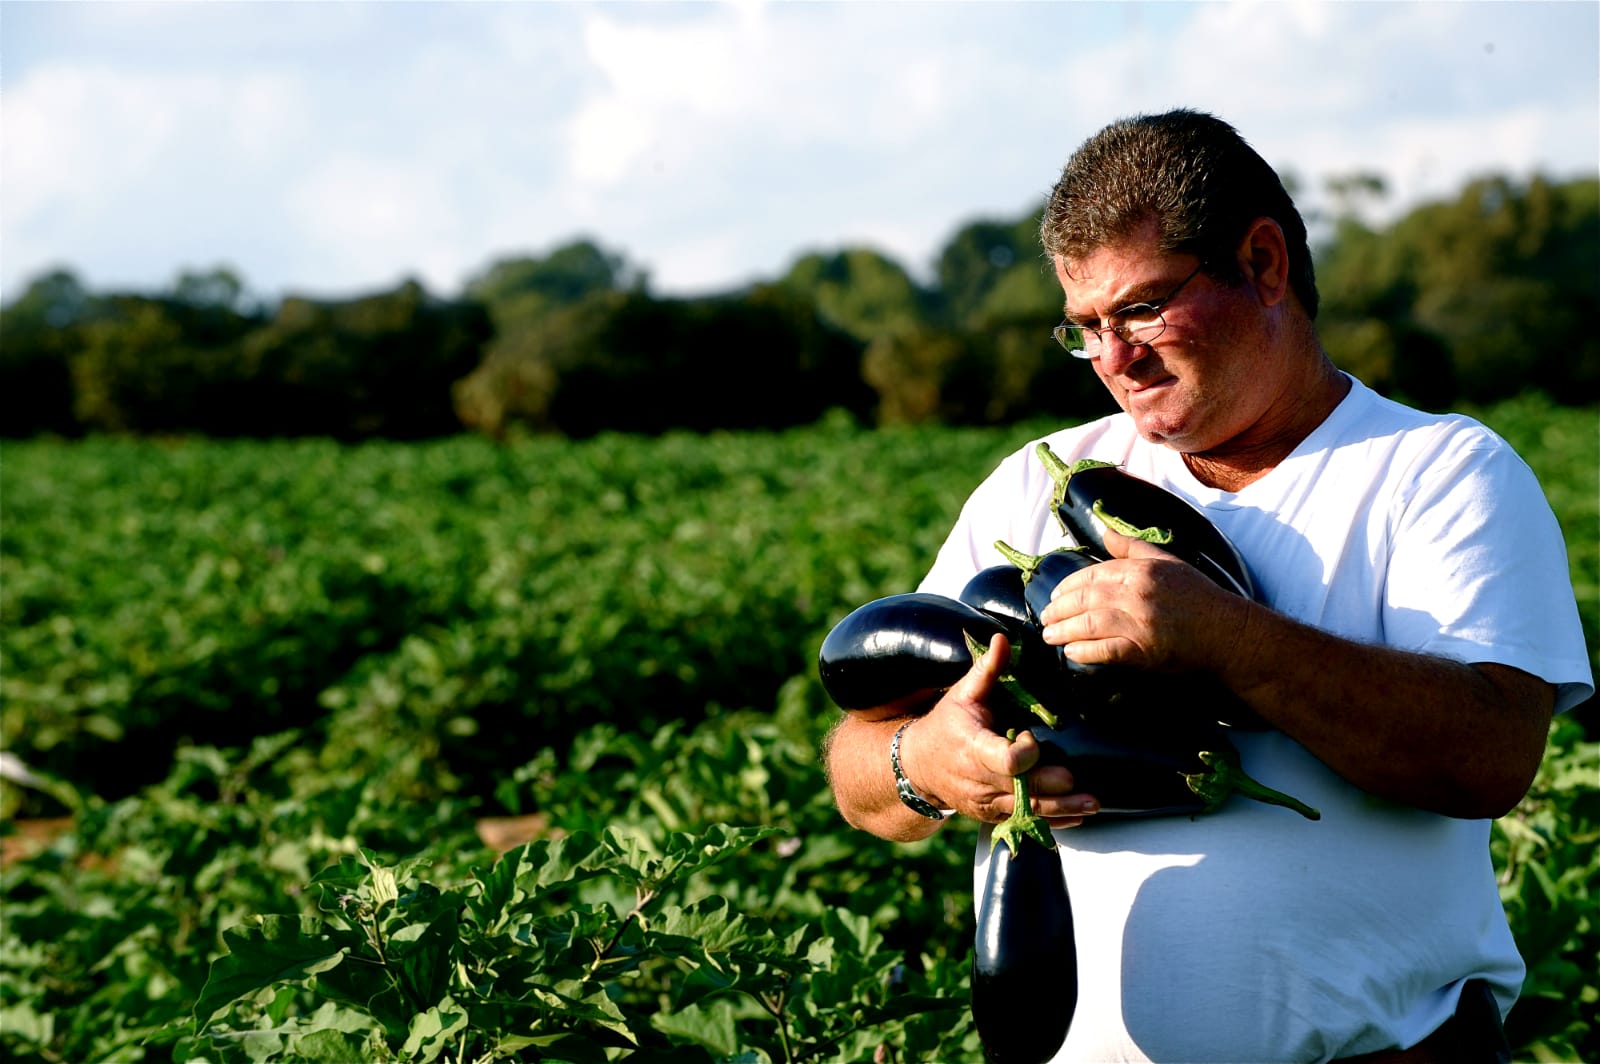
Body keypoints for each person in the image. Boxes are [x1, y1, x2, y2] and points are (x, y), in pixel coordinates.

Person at [821, 109, 1593, 1063]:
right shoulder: (1037, 483)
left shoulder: (1438, 471)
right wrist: (926, 764)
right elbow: (860, 765)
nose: (1114, 359)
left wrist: (1228, 638)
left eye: (1142, 309)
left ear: (1263, 264)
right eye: (1086, 328)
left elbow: (1490, 756)